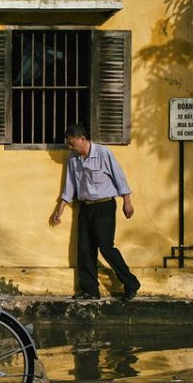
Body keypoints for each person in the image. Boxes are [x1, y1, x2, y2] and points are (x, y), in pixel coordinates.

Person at [49, 124, 141, 301]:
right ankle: (90, 290)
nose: (70, 147)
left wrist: (127, 202)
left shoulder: (103, 153)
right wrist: (59, 210)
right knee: (84, 249)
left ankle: (131, 283)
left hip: (104, 206)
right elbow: (69, 188)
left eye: (72, 143)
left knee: (106, 247)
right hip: (85, 207)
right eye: (69, 144)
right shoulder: (73, 159)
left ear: (83, 139)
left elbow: (119, 177)